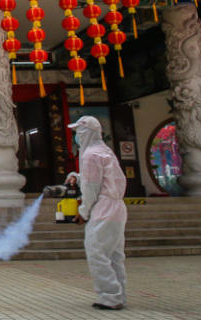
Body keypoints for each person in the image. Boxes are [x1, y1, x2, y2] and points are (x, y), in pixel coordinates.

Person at [68, 116, 128, 311]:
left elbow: (91, 188)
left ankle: (109, 296)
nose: (77, 136)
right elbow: (99, 179)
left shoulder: (90, 155)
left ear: (87, 133)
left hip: (103, 208)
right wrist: (77, 177)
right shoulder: (105, 151)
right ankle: (119, 295)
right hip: (117, 207)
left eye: (79, 132)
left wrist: (83, 212)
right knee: (114, 255)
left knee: (97, 252)